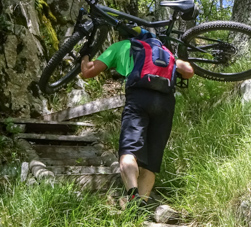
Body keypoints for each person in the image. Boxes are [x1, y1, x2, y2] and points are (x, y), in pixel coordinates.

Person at [79, 37, 194, 206]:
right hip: (165, 103)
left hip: (139, 98)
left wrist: (84, 56)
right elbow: (189, 71)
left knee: (128, 152)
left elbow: (88, 72)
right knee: (151, 163)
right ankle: (140, 208)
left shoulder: (122, 46)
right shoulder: (165, 52)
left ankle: (133, 196)